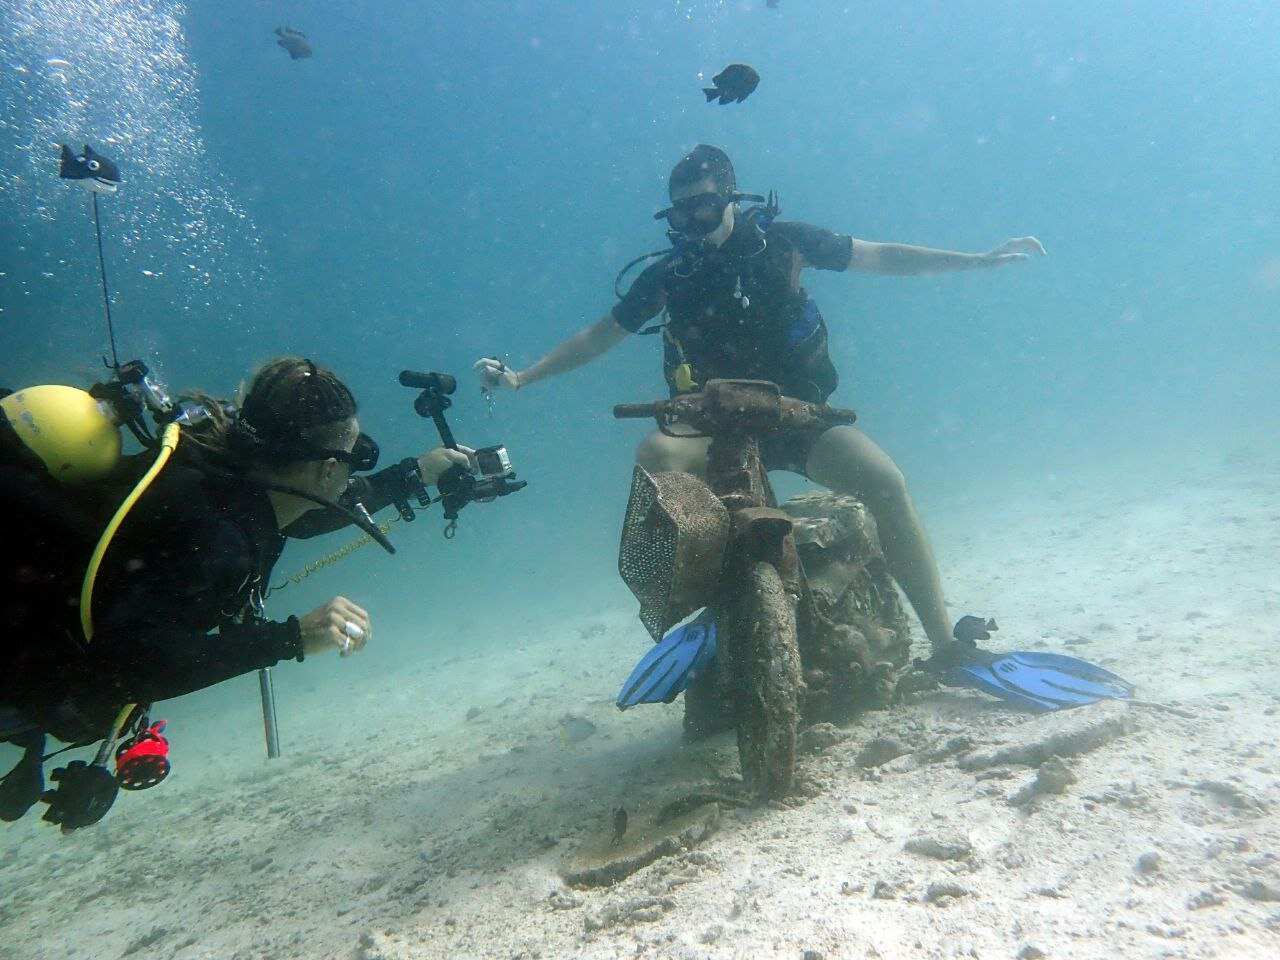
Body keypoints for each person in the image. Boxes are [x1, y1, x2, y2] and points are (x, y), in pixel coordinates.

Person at [476, 144, 1045, 663]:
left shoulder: (787, 242)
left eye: (702, 208)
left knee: (886, 482)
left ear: (730, 200)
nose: (692, 223)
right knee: (656, 454)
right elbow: (599, 336)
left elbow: (885, 256)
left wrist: (977, 260)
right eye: (680, 214)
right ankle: (701, 608)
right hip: (710, 425)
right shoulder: (671, 274)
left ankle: (946, 644)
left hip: (796, 415)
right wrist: (523, 378)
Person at [0, 357, 470, 828]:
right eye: (354, 453)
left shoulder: (225, 467)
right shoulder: (219, 540)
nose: (352, 466)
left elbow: (306, 513)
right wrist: (293, 637)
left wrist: (412, 475)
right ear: (328, 469)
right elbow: (132, 665)